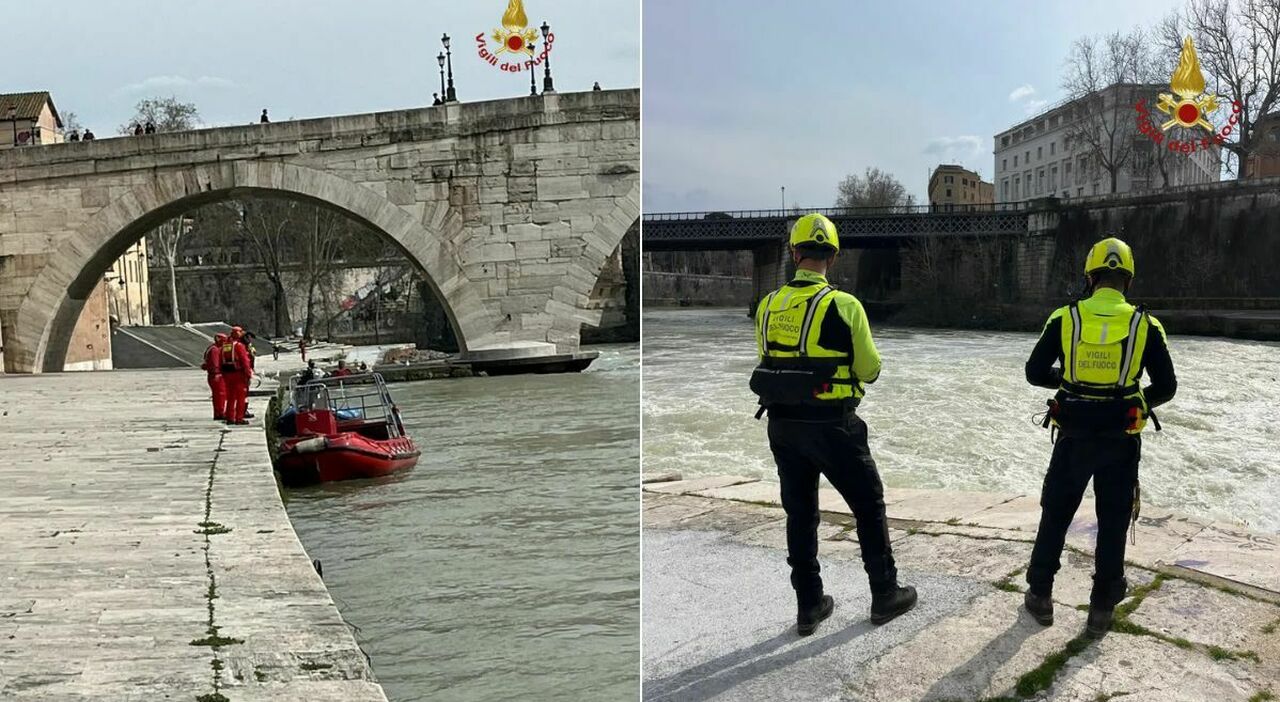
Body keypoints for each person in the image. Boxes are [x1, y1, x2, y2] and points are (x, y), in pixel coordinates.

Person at [749, 213, 917, 636]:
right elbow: (870, 368)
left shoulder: (767, 305)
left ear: (794, 253)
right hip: (834, 426)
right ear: (834, 256)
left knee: (800, 514)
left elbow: (766, 357)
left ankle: (809, 605)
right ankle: (884, 595)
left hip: (784, 427)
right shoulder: (844, 305)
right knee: (868, 507)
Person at [1022, 237, 1176, 638]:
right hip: (1120, 439)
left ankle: (1040, 595)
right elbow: (1167, 385)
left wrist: (1067, 379)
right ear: (1127, 279)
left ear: (1090, 277)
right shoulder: (1146, 324)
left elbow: (1035, 372)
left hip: (1073, 433)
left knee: (1055, 513)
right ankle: (1101, 609)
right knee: (1112, 521)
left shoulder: (1065, 318)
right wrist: (1136, 400)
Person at [219, 327, 254, 425]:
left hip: (227, 375)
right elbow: (245, 361)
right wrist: (248, 374)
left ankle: (230, 417)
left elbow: (220, 361)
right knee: (240, 398)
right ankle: (239, 418)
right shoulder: (239, 346)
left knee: (230, 397)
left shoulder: (225, 346)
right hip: (239, 375)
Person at [201, 333, 228, 420]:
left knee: (218, 395)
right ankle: (220, 413)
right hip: (216, 376)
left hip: (214, 375)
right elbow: (214, 364)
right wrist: (218, 373)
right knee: (220, 395)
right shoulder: (215, 350)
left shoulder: (212, 348)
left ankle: (219, 412)